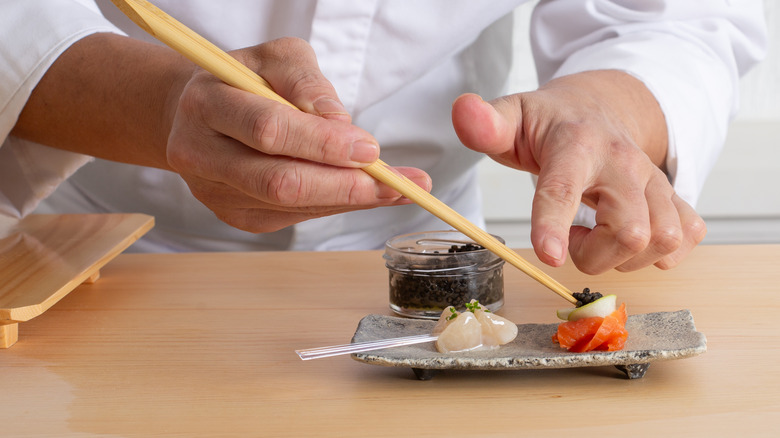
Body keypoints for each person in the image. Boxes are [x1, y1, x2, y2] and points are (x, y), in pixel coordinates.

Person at [0, 0, 767, 274]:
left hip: (433, 249)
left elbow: (669, 13)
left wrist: (607, 105)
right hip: (113, 258)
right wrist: (159, 106)